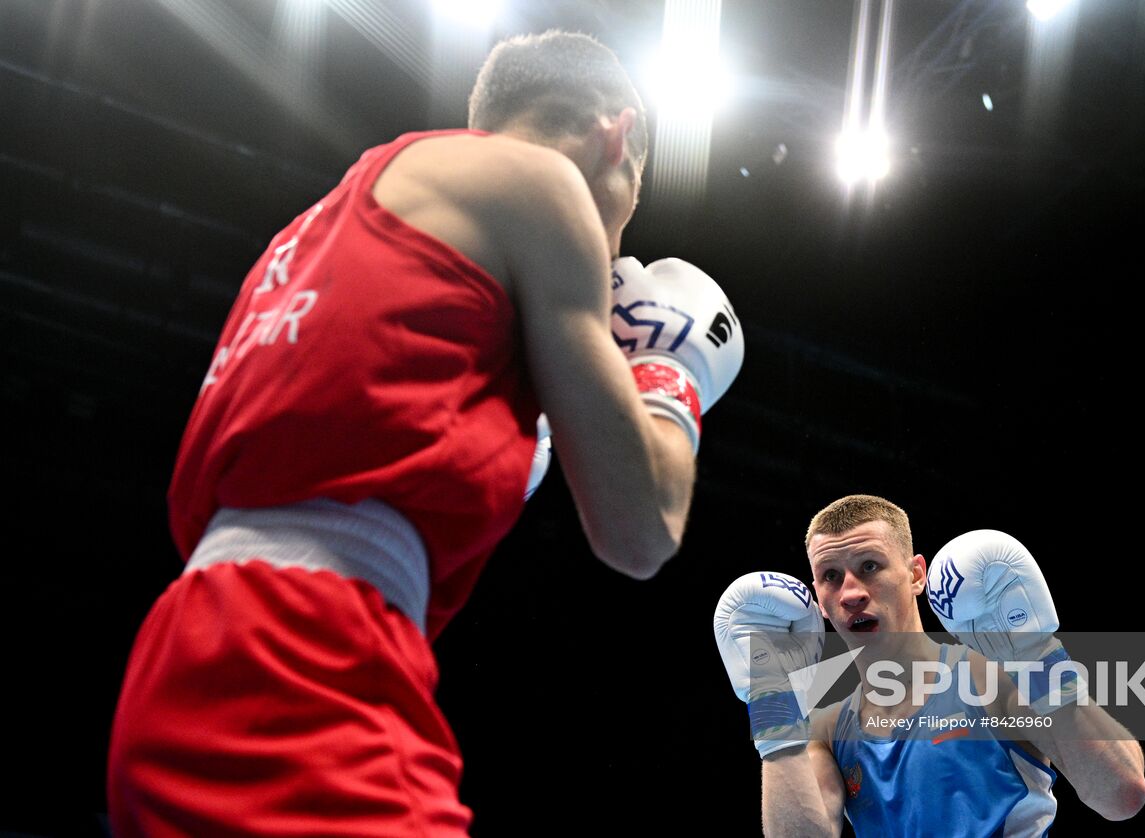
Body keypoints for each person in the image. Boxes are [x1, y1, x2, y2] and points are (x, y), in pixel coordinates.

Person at [108, 31, 742, 836]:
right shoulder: (542, 183)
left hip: (187, 651)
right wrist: (671, 374)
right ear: (614, 137)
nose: (614, 247)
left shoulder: (321, 227)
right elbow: (639, 528)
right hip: (305, 656)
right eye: (627, 200)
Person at [714, 495, 1145, 836]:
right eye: (830, 576)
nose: (851, 593)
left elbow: (1121, 794)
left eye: (869, 566)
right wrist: (771, 702)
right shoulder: (825, 726)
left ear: (917, 574)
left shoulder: (993, 679)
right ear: (819, 602)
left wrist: (1037, 656)